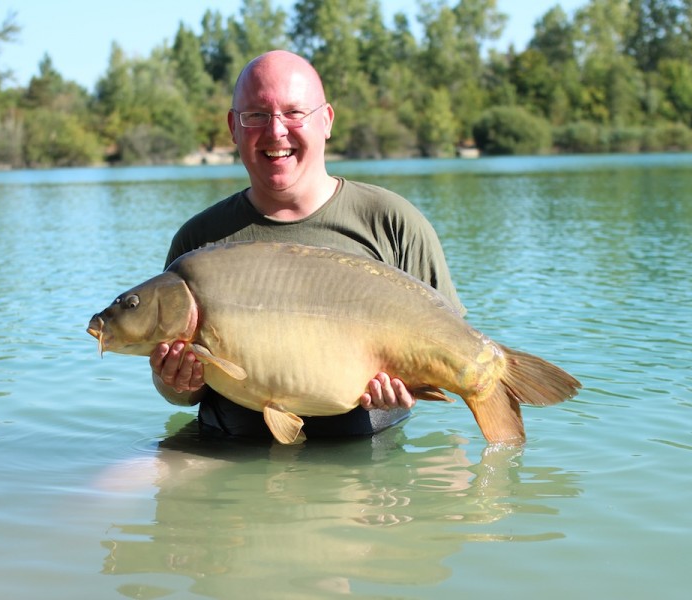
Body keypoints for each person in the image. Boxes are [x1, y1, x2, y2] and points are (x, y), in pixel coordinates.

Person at [149, 50, 465, 440]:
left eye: (294, 113)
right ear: (233, 127)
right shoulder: (198, 242)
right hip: (230, 454)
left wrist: (413, 384)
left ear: (326, 120)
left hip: (371, 471)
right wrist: (174, 380)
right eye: (256, 116)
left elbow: (455, 349)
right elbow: (181, 395)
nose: (276, 131)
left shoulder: (393, 224)